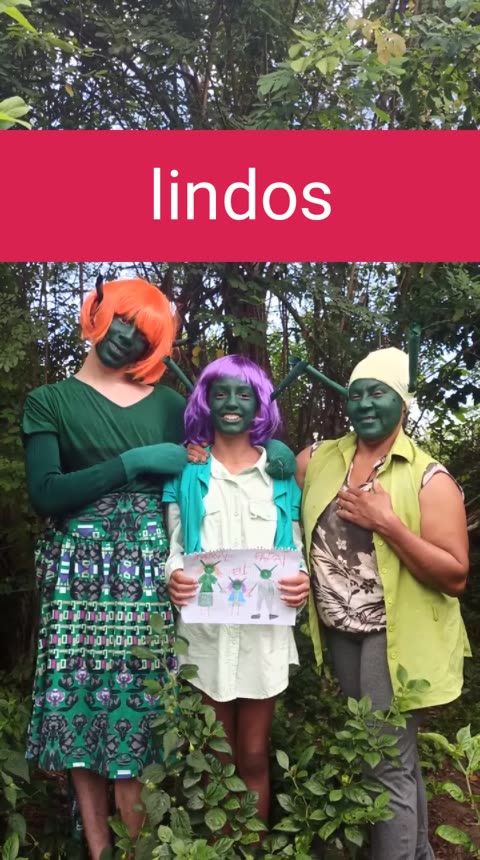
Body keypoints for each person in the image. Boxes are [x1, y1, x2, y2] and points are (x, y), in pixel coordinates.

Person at [22, 278, 193, 860]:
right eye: (122, 319)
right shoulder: (49, 401)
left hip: (148, 573)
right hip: (75, 573)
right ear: (97, 313)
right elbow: (47, 493)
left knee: (139, 709)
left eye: (143, 332)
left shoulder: (170, 407)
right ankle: (98, 849)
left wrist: (278, 455)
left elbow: (226, 455)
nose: (127, 337)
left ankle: (138, 847)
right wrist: (132, 461)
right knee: (77, 702)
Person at [297, 346, 470, 860]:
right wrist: (198, 449)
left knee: (382, 761)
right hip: (340, 629)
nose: (366, 404)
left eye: (379, 393)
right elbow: (258, 467)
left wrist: (388, 524)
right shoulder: (319, 459)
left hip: (395, 633)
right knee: (393, 756)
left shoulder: (428, 478)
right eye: (356, 394)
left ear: (403, 402)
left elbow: (455, 575)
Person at [163, 355, 310, 821]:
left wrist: (301, 581)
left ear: (259, 404)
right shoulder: (188, 470)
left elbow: (294, 546)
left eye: (244, 394)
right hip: (206, 638)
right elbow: (175, 545)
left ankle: (253, 845)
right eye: (221, 393)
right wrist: (174, 575)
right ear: (205, 401)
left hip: (263, 640)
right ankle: (219, 848)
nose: (232, 403)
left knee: (252, 756)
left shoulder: (279, 474)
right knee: (216, 758)